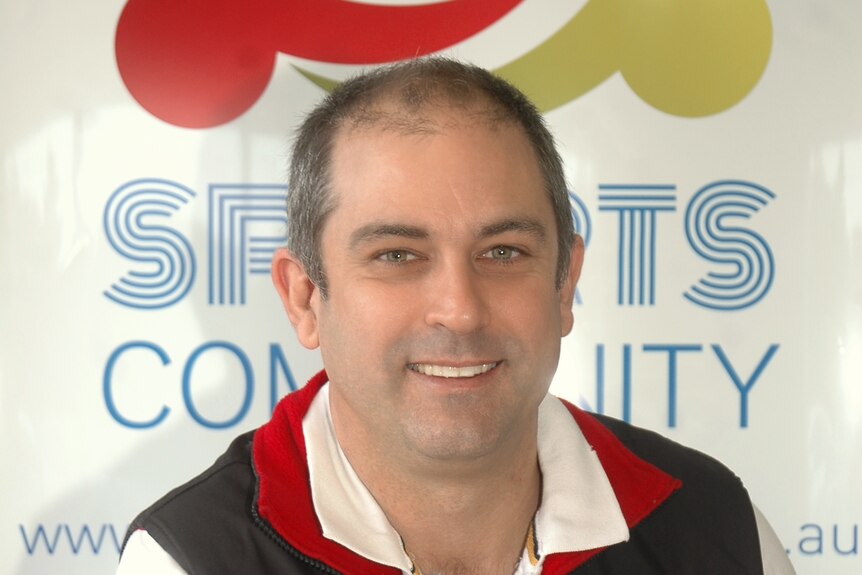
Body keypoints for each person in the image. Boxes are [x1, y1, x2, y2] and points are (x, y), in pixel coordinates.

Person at [116, 58, 795, 575]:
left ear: (565, 284)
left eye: (503, 250)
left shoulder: (720, 533)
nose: (460, 308)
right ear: (304, 299)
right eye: (396, 254)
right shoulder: (188, 560)